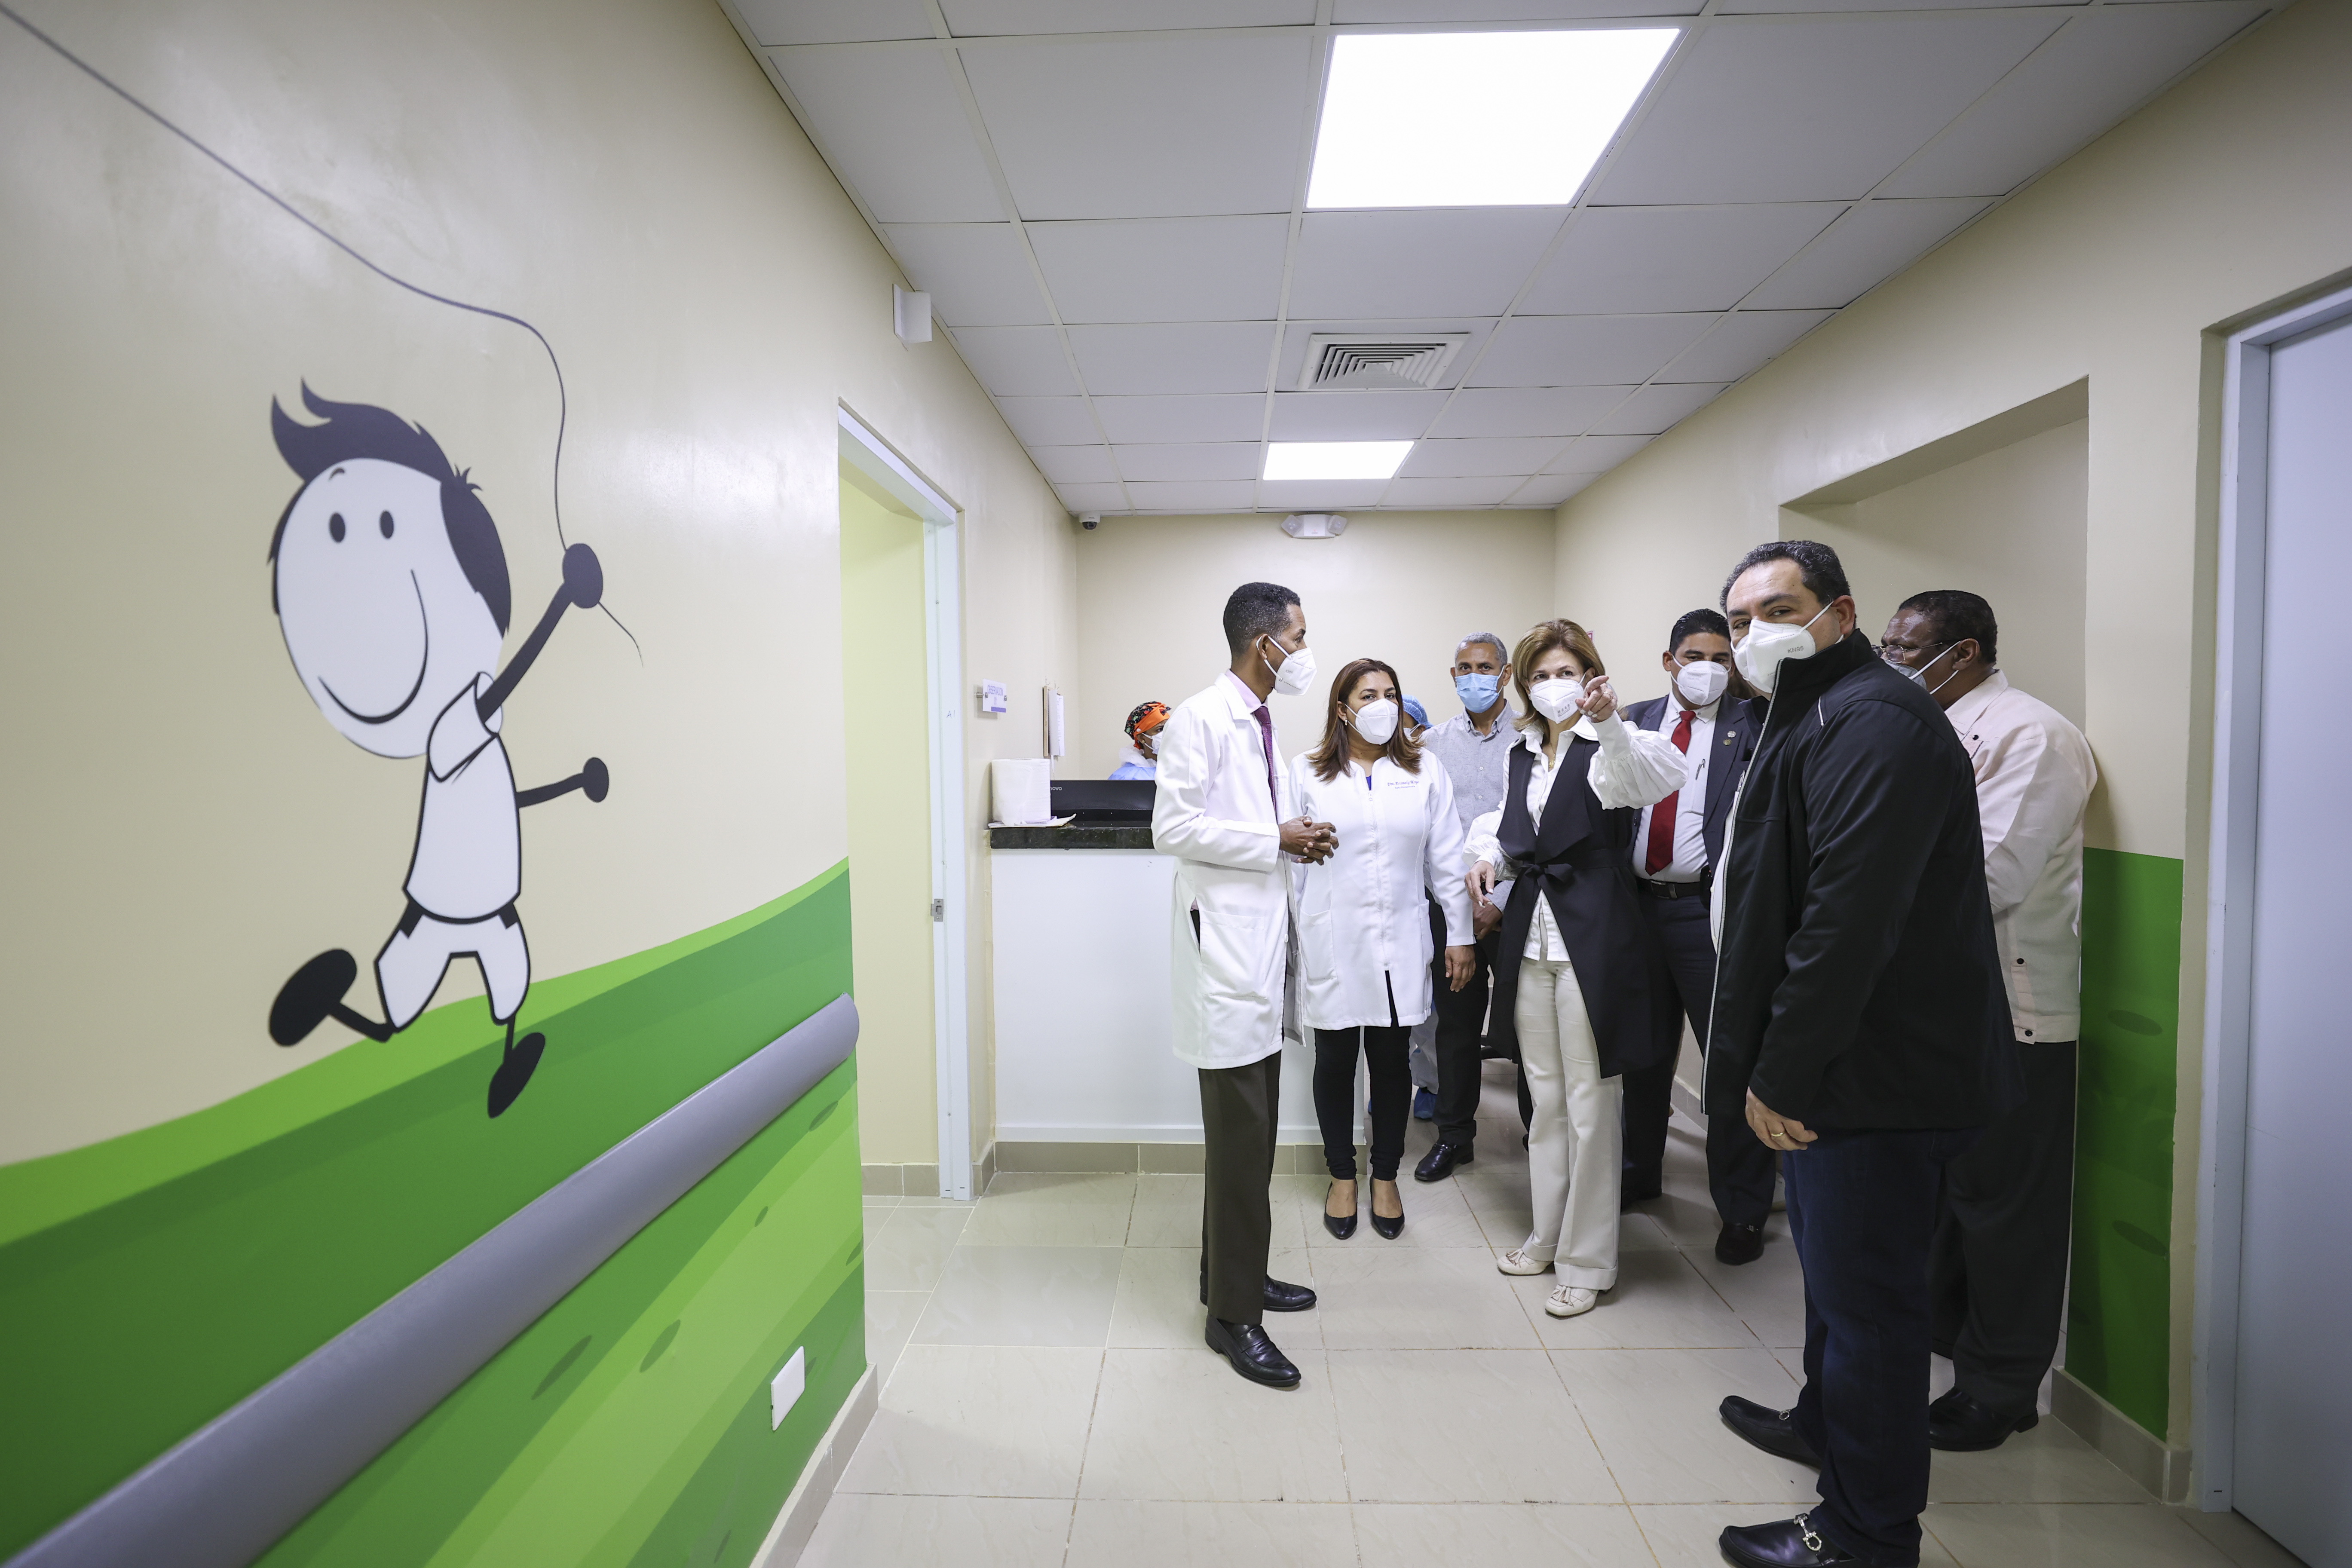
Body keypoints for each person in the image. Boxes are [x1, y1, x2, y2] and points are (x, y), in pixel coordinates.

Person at [1706, 542, 2018, 1568]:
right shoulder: (1813, 711)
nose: (1756, 633)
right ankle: (1821, 1424)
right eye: (1740, 618)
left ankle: (1863, 1534)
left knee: (1871, 1311)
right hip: (1848, 1067)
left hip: (1871, 1078)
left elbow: (1847, 923)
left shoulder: (1875, 721)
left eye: (1779, 608)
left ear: (1840, 614)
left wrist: (1781, 1072)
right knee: (1838, 1290)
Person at [1881, 590, 2097, 1453]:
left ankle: (2002, 1390)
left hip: (2017, 1010)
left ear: (1963, 652)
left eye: (1906, 648)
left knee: (2009, 1209)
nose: (1892, 661)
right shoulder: (1929, 727)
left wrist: (1864, 886)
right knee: (1956, 1197)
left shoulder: (2029, 735)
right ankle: (1961, 1354)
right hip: (1944, 1007)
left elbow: (1991, 877)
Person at [1464, 621, 1685, 1318]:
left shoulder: (1614, 742)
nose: (1553, 686)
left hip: (1595, 938)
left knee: (1593, 1104)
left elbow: (1650, 781)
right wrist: (1487, 859)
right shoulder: (1523, 751)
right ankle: (1547, 1232)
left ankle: (1589, 1259)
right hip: (1530, 938)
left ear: (1591, 676)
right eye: (1540, 675)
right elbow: (1509, 826)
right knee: (1546, 1100)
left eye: (1566, 672)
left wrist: (1609, 721)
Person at [1152, 582, 1332, 1389]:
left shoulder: (1259, 720)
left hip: (1258, 951)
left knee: (1252, 1140)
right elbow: (1173, 827)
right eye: (1301, 635)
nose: (1305, 649)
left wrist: (1297, 839)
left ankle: (1234, 1274)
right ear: (1267, 644)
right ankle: (1232, 1317)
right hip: (1224, 958)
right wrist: (1275, 837)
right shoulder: (1199, 717)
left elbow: (1254, 829)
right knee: (1238, 1141)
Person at [1289, 661, 1476, 1240]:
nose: (1383, 705)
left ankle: (1386, 1175)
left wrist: (1461, 934)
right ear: (1342, 709)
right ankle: (1342, 1176)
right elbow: (1289, 864)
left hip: (1401, 939)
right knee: (1335, 1060)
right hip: (1333, 937)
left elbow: (1447, 858)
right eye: (1368, 695)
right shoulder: (1306, 771)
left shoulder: (1423, 770)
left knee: (1392, 1061)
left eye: (1390, 693)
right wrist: (1289, 940)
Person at [1616, 609, 1777, 1265]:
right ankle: (1638, 1172)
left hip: (1707, 915)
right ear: (1669, 661)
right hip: (1637, 910)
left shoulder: (1757, 724)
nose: (1707, 669)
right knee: (1642, 1054)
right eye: (1694, 657)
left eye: (1720, 658)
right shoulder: (1633, 721)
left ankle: (1741, 1209)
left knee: (1728, 1061)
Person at [1414, 633, 1529, 1181]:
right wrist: (1458, 907)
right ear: (1453, 675)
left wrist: (1498, 901)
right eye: (1464, 668)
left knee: (1528, 1026)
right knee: (1455, 1028)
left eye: (1485, 667)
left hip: (1515, 907)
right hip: (1451, 909)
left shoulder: (1532, 738)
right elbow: (1429, 832)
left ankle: (1539, 1133)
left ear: (1505, 675)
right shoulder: (1432, 744)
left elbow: (1534, 826)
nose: (1474, 677)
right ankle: (1455, 1136)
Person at [1111, 700, 1169, 779]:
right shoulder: (1127, 777)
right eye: (1160, 729)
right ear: (1142, 738)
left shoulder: (1181, 767)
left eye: (1168, 728)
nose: (1167, 733)